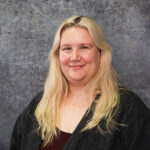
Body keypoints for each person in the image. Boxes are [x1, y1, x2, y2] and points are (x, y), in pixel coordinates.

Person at [9, 16, 150, 150]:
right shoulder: (40, 105)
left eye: (84, 47)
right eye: (67, 49)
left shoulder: (128, 108)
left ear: (100, 53)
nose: (74, 57)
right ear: (57, 55)